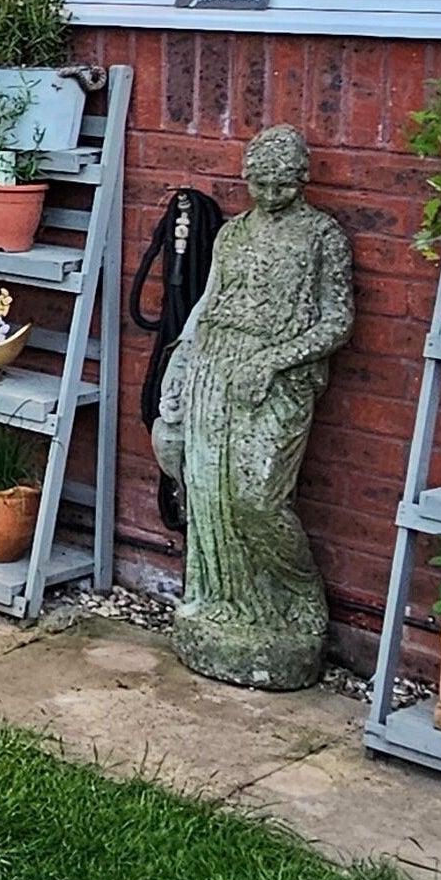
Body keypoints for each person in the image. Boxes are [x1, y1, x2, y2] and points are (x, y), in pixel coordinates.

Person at [151, 126, 355, 690]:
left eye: (281, 183)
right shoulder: (232, 235)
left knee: (258, 498)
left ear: (301, 179)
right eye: (259, 183)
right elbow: (207, 305)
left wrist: (273, 361)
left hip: (278, 375)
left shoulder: (322, 236)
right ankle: (222, 601)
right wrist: (181, 365)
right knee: (207, 491)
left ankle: (300, 599)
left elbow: (337, 321)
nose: (268, 193)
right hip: (216, 366)